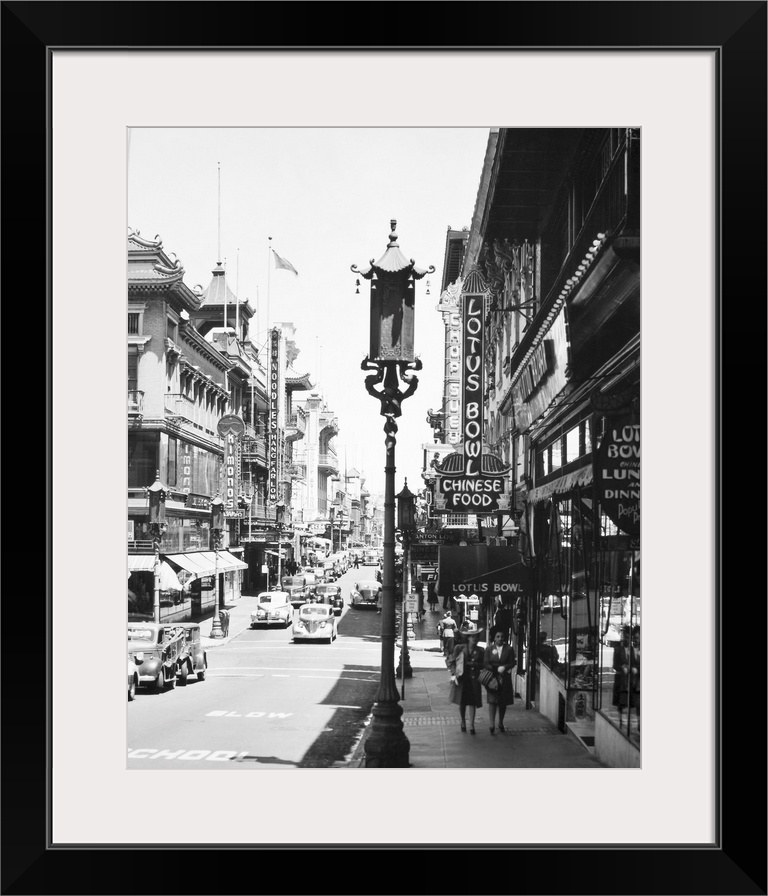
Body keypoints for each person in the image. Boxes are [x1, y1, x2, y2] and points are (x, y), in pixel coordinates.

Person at [447, 630, 485, 734]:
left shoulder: (481, 650)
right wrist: (454, 673)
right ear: (468, 638)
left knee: (473, 701)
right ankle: (463, 721)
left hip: (474, 678)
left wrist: (473, 664)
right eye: (473, 637)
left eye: (476, 637)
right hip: (462, 678)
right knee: (462, 701)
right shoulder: (459, 648)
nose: (475, 639)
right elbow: (451, 661)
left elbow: (483, 664)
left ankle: (472, 724)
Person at [483, 631, 516, 734]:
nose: (500, 638)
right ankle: (492, 723)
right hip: (492, 678)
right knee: (492, 701)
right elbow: (485, 663)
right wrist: (494, 668)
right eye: (498, 636)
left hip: (504, 678)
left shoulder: (509, 649)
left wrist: (505, 667)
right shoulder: (489, 649)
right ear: (494, 639)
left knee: (502, 701)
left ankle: (500, 722)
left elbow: (512, 663)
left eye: (502, 636)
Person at [612, 624, 640, 728]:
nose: (625, 639)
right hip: (620, 678)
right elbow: (614, 665)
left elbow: (634, 662)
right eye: (623, 636)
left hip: (629, 679)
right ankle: (620, 720)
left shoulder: (632, 649)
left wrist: (632, 668)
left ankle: (628, 721)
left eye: (627, 636)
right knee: (620, 701)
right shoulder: (618, 649)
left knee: (630, 700)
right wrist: (621, 667)